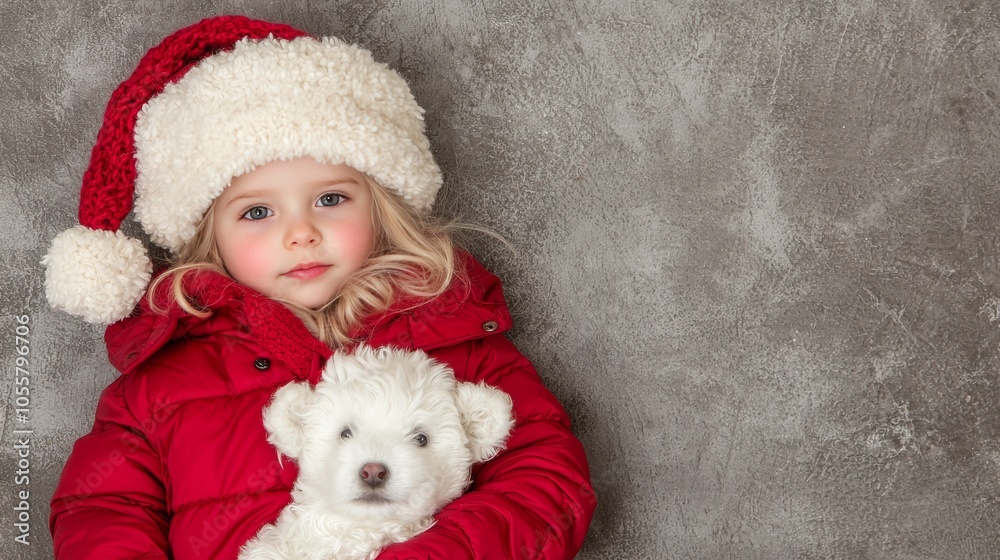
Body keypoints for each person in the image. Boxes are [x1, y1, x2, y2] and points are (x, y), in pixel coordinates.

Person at [43, 15, 595, 560]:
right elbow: (101, 509)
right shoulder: (159, 386)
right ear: (209, 239)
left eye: (330, 199)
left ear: (380, 207)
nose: (301, 233)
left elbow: (546, 479)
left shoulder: (453, 338)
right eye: (257, 211)